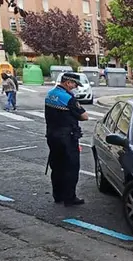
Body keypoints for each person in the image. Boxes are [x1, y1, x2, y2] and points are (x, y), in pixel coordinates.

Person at [44, 72, 89, 206]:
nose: (75, 87)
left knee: (56, 167)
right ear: (68, 82)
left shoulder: (50, 94)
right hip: (67, 138)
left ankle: (58, 195)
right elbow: (84, 116)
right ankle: (69, 198)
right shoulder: (68, 98)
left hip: (52, 136)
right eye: (74, 84)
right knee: (71, 167)